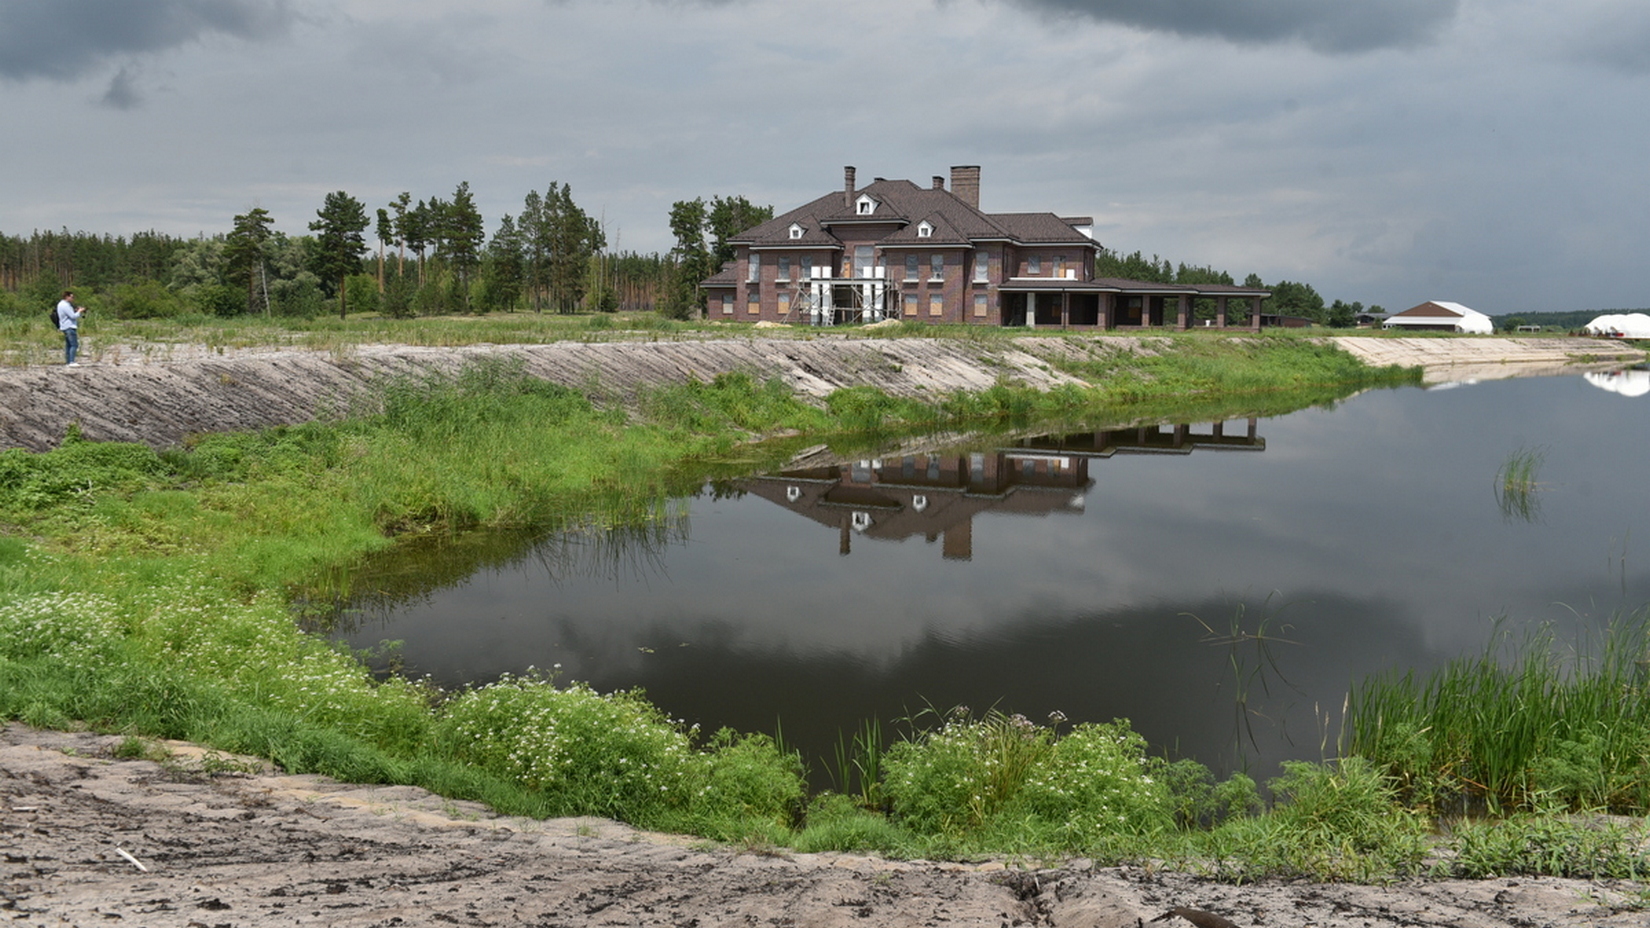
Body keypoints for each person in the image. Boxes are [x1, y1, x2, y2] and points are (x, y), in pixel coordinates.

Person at [56, 290, 87, 367]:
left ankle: (68, 361)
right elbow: (73, 316)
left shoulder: (60, 304)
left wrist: (75, 311)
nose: (73, 299)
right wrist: (79, 311)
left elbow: (69, 314)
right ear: (67, 297)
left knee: (68, 345)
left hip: (64, 326)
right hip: (69, 326)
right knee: (74, 345)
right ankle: (71, 361)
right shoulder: (65, 305)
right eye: (72, 297)